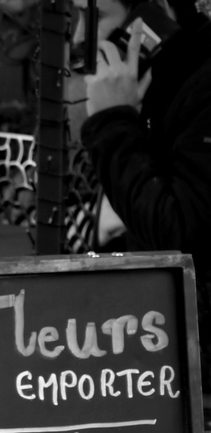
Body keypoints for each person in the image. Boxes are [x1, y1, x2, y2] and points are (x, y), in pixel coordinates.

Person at [77, 0, 211, 365]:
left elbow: (178, 237)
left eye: (94, 17)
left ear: (151, 14)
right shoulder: (170, 77)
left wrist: (111, 122)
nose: (78, 37)